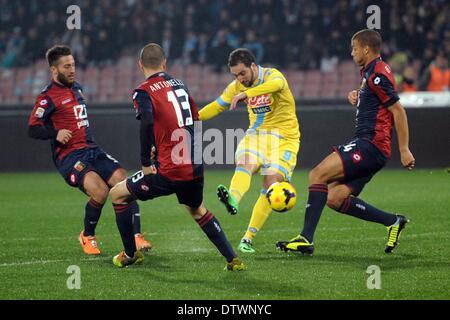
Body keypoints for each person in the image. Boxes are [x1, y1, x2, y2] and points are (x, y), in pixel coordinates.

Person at [276, 29, 415, 255]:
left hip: (371, 144)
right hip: (372, 146)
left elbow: (398, 111)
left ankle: (305, 238)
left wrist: (405, 149)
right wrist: (359, 98)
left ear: (366, 49)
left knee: (317, 174)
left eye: (354, 48)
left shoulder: (377, 74)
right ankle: (393, 221)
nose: (351, 53)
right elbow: (377, 104)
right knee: (335, 198)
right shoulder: (371, 72)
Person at [109, 43, 245, 270]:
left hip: (169, 170)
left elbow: (147, 122)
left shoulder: (143, 91)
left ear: (140, 65)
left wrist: (145, 162)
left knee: (117, 194)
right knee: (197, 209)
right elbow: (195, 120)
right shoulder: (180, 85)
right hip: (193, 163)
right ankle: (233, 259)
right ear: (165, 63)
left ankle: (130, 254)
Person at [28, 45, 151, 255]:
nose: (72, 70)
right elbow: (33, 128)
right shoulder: (47, 97)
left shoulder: (77, 88)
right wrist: (55, 133)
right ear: (54, 70)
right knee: (100, 191)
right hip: (69, 156)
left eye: (73, 65)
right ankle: (87, 235)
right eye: (66, 66)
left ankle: (136, 236)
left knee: (126, 183)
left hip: (92, 150)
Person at [199, 48, 300, 253]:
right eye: (235, 75)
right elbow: (217, 106)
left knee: (271, 183)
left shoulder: (273, 75)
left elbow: (277, 85)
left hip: (284, 139)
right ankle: (233, 198)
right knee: (245, 162)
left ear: (253, 66)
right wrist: (191, 118)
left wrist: (246, 94)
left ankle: (248, 238)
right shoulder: (236, 86)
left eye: (242, 73)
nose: (240, 79)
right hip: (257, 136)